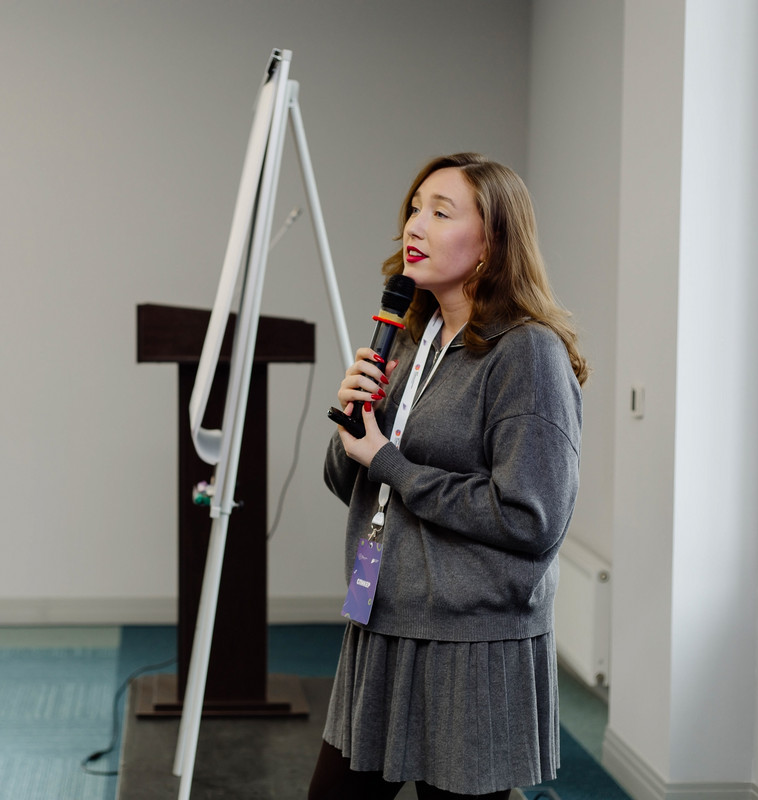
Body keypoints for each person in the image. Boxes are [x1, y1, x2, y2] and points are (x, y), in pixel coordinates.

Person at [311, 153, 587, 800]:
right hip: (382, 620)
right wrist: (353, 423)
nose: (415, 225)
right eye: (414, 208)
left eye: (441, 212)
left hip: (471, 644)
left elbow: (528, 517)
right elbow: (352, 482)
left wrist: (388, 461)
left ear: (491, 243)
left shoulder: (527, 352)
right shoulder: (412, 338)